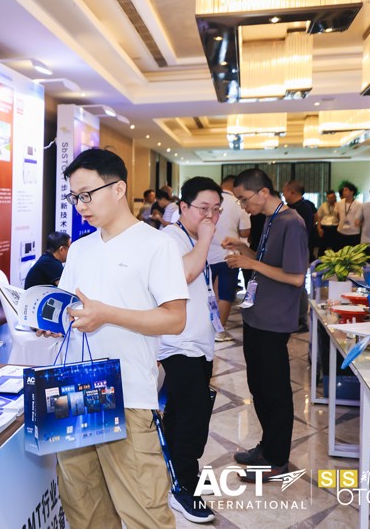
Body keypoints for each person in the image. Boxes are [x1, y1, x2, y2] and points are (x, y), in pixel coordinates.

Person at [56, 148, 188, 529]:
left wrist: (107, 314)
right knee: (85, 510)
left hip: (127, 394)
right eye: (74, 197)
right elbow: (69, 308)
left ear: (118, 189)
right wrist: (50, 318)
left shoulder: (156, 245)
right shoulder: (80, 249)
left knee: (145, 512)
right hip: (74, 391)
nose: (80, 205)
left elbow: (175, 319)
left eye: (87, 194)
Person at [223, 168, 308, 483]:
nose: (244, 206)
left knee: (275, 391)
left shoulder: (292, 223)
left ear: (263, 192)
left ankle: (276, 459)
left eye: (244, 199)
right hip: (256, 315)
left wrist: (251, 263)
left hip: (274, 320)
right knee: (258, 387)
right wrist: (243, 248)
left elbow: (296, 277)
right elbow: (267, 262)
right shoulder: (272, 220)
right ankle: (267, 446)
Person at [159, 177, 222, 524]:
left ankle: (174, 476)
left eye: (216, 210)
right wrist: (207, 237)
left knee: (182, 415)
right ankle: (183, 487)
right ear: (183, 207)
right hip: (179, 344)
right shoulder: (170, 238)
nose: (210, 216)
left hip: (198, 344)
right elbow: (182, 274)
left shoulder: (192, 238)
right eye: (203, 208)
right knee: (191, 419)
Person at [207, 174, 251, 342]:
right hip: (228, 255)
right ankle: (219, 330)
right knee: (225, 294)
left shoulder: (209, 201)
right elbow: (245, 231)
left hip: (206, 255)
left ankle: (207, 328)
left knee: (209, 293)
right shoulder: (237, 203)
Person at [282, 179, 316, 333]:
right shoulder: (296, 207)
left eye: (285, 191)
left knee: (298, 285)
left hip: (299, 251)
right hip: (296, 250)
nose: (283, 195)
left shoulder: (302, 208)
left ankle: (301, 320)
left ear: (292, 192)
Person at [335, 181, 362, 250]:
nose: (343, 192)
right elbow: (337, 215)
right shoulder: (339, 203)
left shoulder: (358, 204)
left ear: (351, 192)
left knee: (353, 253)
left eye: (346, 190)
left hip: (354, 233)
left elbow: (360, 218)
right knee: (340, 252)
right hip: (341, 232)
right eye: (343, 190)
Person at [316, 190, 339, 256]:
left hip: (335, 227)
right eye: (329, 198)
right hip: (324, 227)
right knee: (322, 247)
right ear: (327, 198)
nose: (331, 199)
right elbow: (319, 218)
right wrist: (319, 229)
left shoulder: (339, 205)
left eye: (333, 197)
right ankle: (320, 260)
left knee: (335, 247)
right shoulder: (323, 205)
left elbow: (341, 218)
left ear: (335, 197)